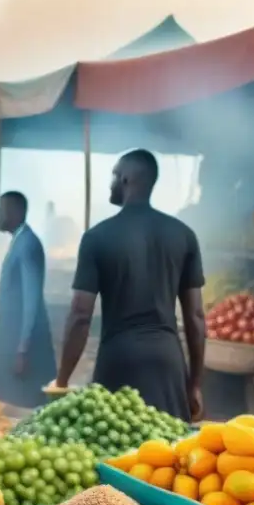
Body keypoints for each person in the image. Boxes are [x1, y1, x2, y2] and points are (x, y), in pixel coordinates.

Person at [54, 149, 206, 422]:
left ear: (125, 179)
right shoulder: (183, 235)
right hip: (167, 361)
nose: (110, 183)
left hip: (119, 359)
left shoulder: (97, 237)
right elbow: (195, 317)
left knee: (116, 450)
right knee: (167, 456)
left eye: (113, 175)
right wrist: (194, 383)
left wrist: (62, 380)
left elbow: (79, 315)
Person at [0, 191, 55, 408]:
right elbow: (15, 296)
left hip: (23, 343)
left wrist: (22, 349)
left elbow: (32, 299)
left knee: (23, 403)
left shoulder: (27, 244)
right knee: (9, 403)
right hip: (13, 339)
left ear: (16, 211)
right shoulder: (19, 241)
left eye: (0, 210)